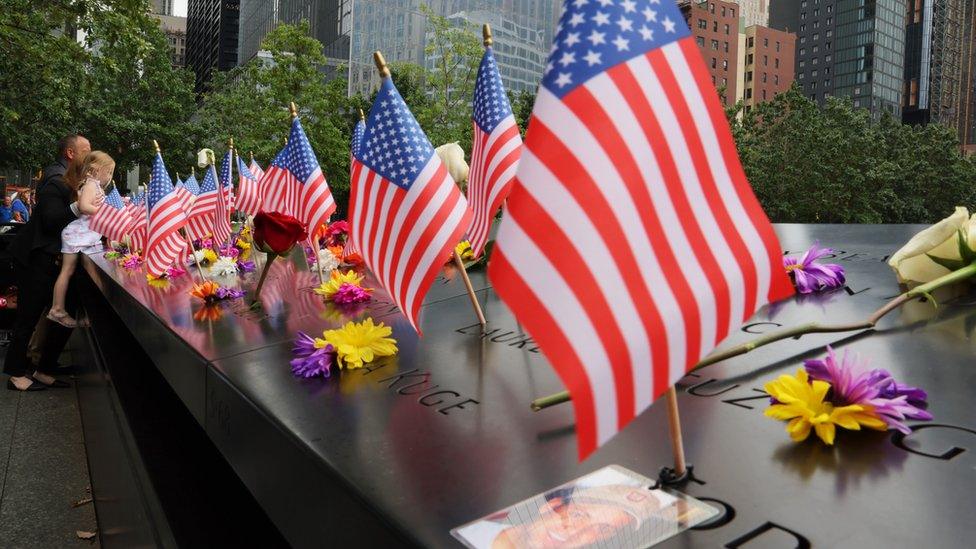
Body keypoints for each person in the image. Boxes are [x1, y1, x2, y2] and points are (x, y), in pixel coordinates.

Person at [4, 134, 92, 391]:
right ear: (70, 153)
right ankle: (16, 373)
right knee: (28, 315)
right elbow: (52, 221)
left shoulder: (73, 179)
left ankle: (45, 366)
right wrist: (79, 207)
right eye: (86, 150)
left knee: (67, 309)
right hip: (35, 257)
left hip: (52, 258)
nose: (91, 153)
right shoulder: (56, 180)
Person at [46, 151, 112, 328]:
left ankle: (61, 308)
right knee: (81, 271)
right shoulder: (91, 184)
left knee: (70, 271)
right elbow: (84, 206)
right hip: (80, 235)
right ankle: (64, 308)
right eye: (109, 172)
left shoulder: (91, 184)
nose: (110, 176)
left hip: (80, 234)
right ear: (98, 170)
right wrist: (104, 212)